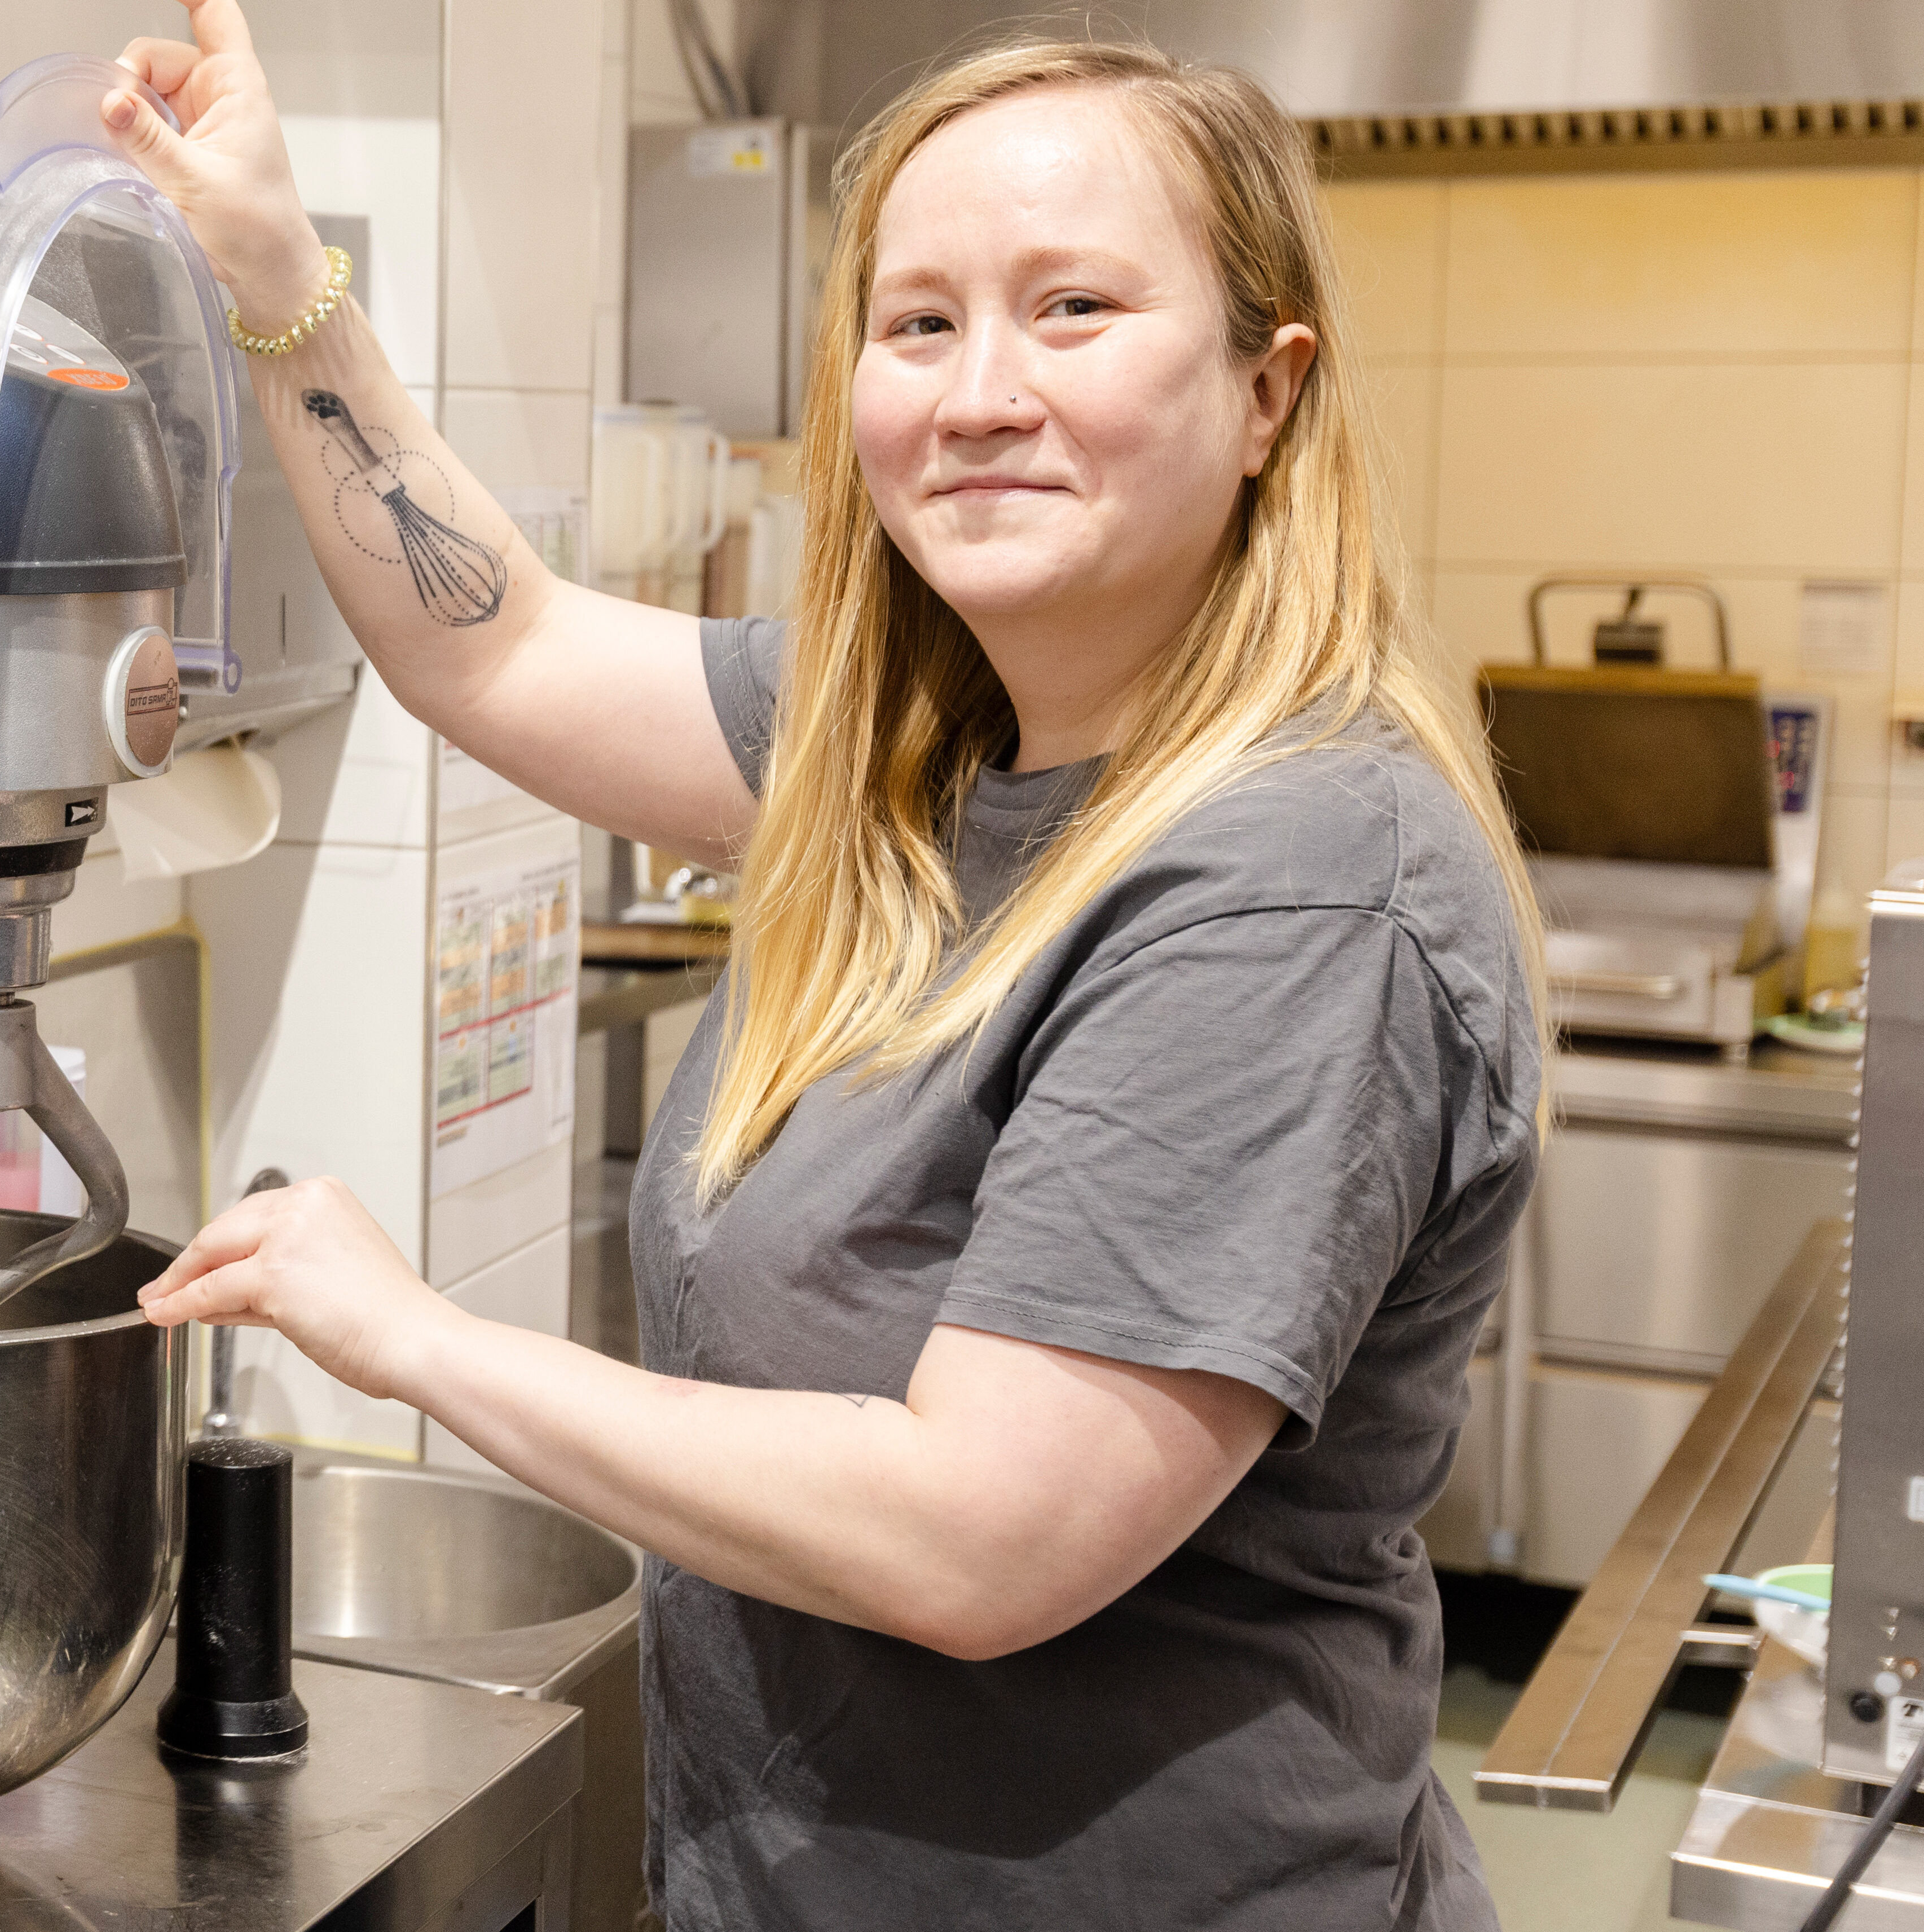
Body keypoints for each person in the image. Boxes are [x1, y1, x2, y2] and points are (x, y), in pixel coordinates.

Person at [101, 10, 1540, 1927]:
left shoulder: (1291, 883)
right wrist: (277, 274)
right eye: (918, 321)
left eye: (1075, 309)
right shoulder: (920, 740)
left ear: (1268, 391)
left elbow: (979, 1534)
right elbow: (492, 647)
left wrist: (421, 1340)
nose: (978, 393)